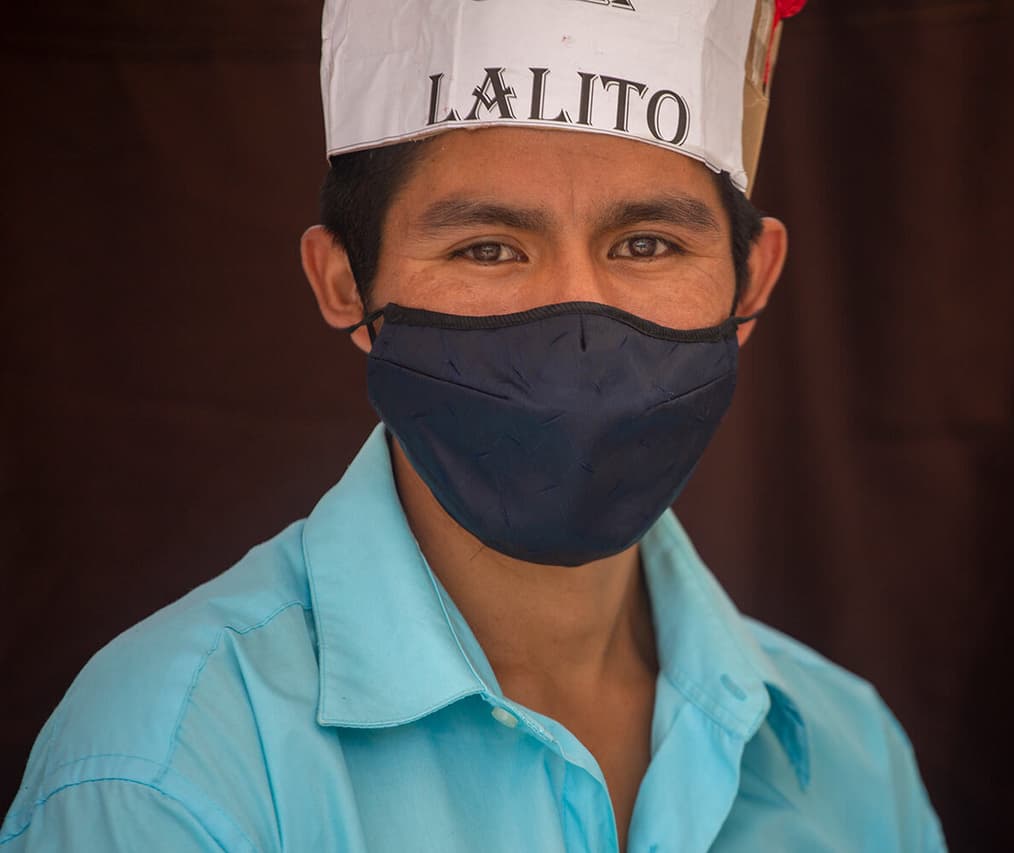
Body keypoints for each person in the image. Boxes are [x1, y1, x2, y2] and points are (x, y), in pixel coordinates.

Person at [1, 1, 946, 850]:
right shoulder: (165, 774)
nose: (577, 315)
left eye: (647, 243)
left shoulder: (851, 754)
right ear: (342, 282)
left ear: (754, 277)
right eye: (487, 247)